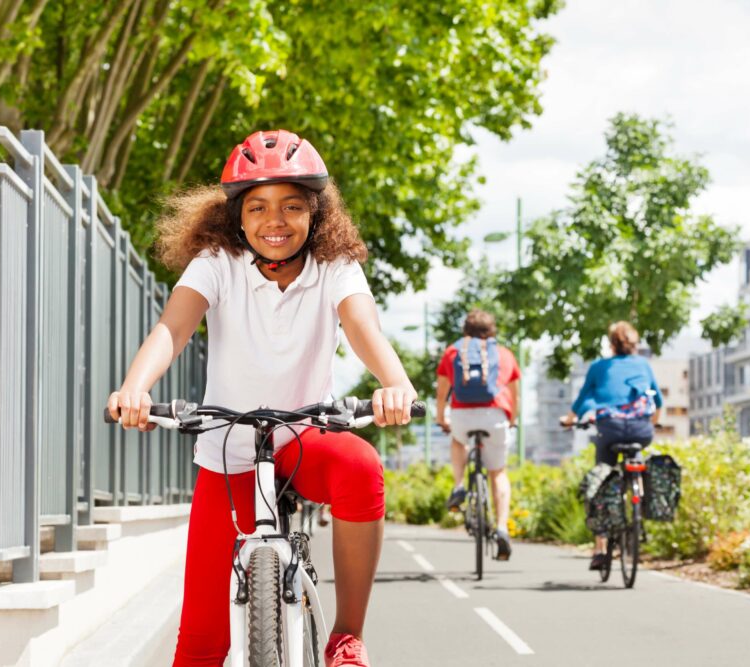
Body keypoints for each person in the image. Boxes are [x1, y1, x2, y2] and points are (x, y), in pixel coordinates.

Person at [106, 130, 418, 667]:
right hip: (227, 456)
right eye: (259, 207)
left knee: (362, 467)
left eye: (292, 206)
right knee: (200, 647)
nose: (276, 220)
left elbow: (364, 327)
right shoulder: (215, 263)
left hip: (304, 439)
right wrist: (136, 387)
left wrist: (396, 382)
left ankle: (346, 635)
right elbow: (172, 329)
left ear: (316, 214)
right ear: (238, 218)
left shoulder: (335, 267)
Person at [560, 321, 662, 571]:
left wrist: (570, 420)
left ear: (611, 344)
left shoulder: (599, 367)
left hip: (610, 430)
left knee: (602, 480)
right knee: (635, 462)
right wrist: (653, 424)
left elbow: (583, 398)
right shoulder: (643, 365)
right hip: (641, 429)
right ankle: (637, 505)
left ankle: (600, 548)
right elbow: (657, 402)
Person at [435, 309, 521, 560]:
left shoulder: (453, 352)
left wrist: (442, 419)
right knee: (498, 472)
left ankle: (460, 485)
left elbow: (442, 394)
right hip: (496, 416)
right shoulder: (504, 354)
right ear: (492, 330)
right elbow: (515, 396)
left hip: (462, 415)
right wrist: (512, 420)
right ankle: (503, 527)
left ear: (466, 330)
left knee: (458, 440)